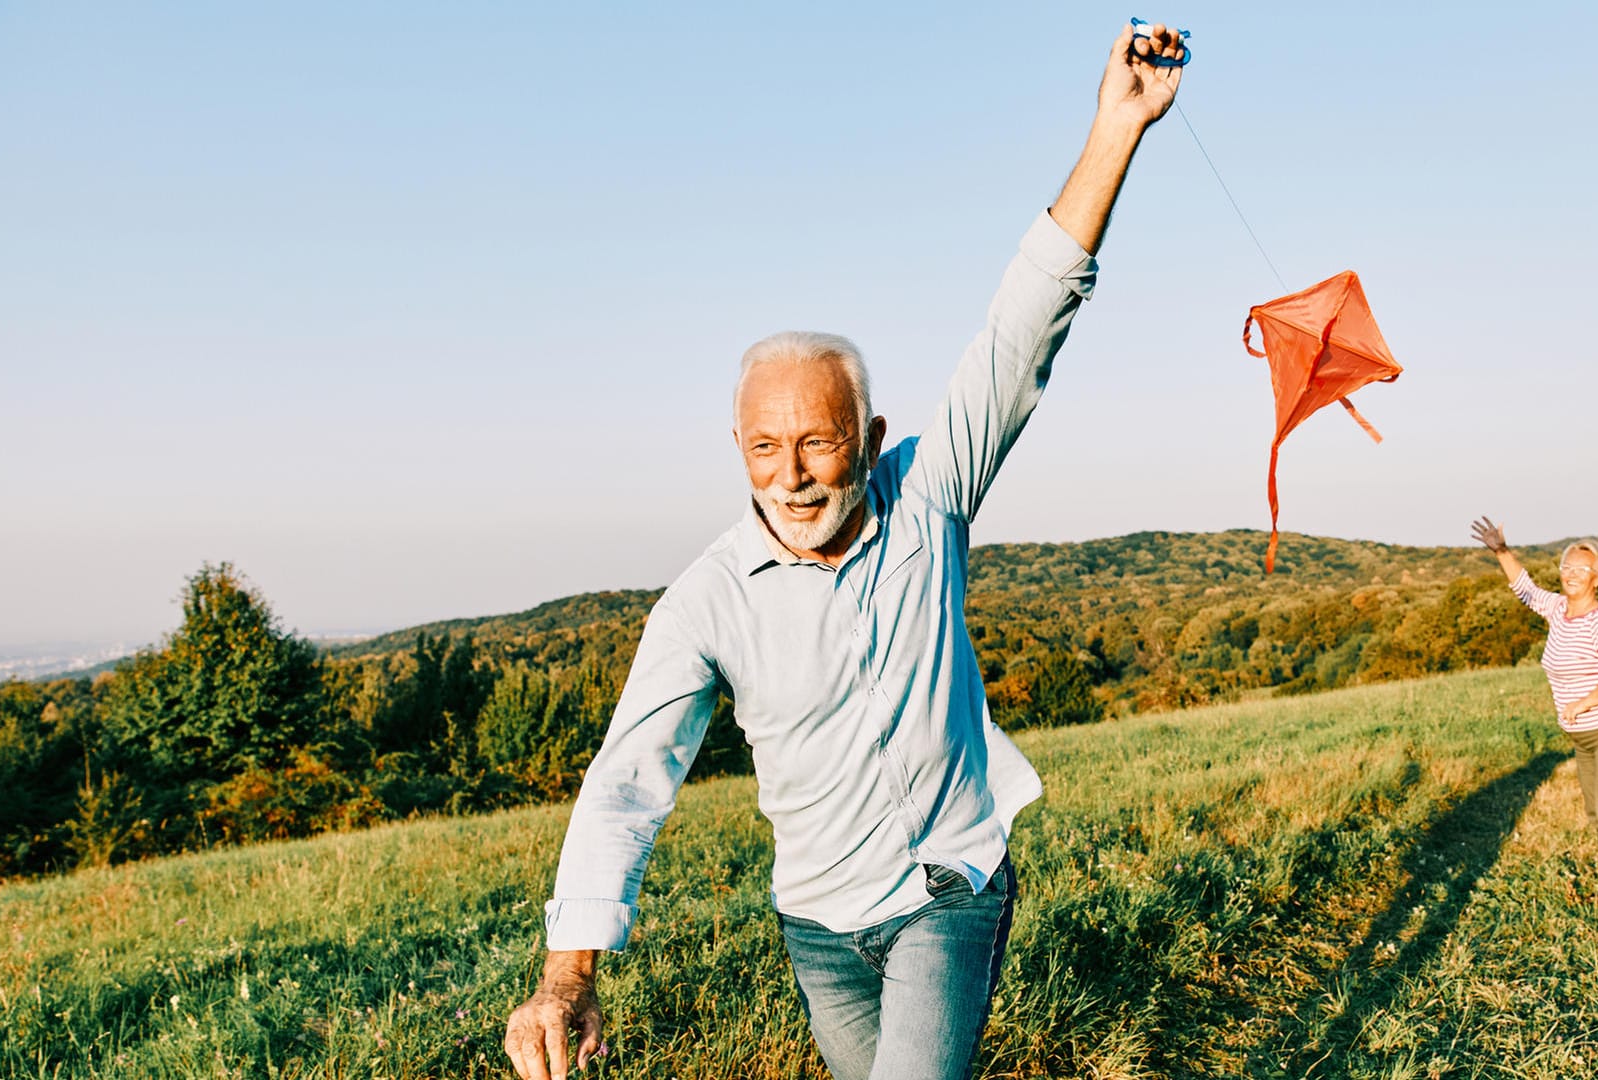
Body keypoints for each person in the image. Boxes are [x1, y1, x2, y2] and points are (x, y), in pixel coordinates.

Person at [503, 24, 1188, 1080]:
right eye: (767, 448)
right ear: (738, 450)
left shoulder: (928, 494)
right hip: (819, 929)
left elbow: (1025, 324)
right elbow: (628, 780)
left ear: (867, 439)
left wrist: (1116, 127)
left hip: (947, 890)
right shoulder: (704, 605)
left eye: (820, 442)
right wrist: (568, 974)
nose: (794, 475)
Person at [1470, 517, 1598, 922]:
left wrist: (1585, 702)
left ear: (1597, 578)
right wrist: (1501, 550)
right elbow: (1526, 589)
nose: (1571, 575)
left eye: (1581, 569)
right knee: (1596, 814)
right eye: (1567, 566)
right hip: (1583, 736)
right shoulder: (1557, 609)